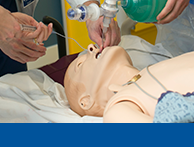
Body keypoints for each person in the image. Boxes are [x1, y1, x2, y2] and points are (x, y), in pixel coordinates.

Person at [64, 43, 194, 123]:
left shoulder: (147, 73)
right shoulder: (117, 111)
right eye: (80, 65)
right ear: (86, 101)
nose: (91, 47)